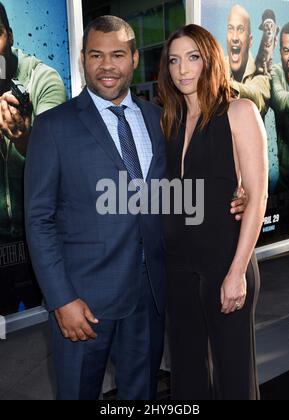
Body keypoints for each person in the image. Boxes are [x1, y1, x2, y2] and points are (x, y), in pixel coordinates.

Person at [25, 16, 247, 400]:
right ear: (83, 59)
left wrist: (239, 192)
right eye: (96, 55)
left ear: (132, 59)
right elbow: (38, 219)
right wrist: (61, 298)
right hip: (84, 302)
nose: (107, 65)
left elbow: (180, 185)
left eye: (117, 55)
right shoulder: (53, 127)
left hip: (150, 300)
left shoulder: (159, 118)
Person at [158, 24, 268, 400]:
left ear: (210, 60)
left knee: (234, 378)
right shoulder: (168, 120)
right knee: (187, 378)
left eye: (193, 58)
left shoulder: (239, 110)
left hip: (226, 262)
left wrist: (237, 271)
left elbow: (256, 196)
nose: (182, 69)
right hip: (179, 268)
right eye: (174, 60)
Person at [0, 2, 66, 314]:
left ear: (10, 35)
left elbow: (57, 167)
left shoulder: (43, 80)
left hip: (39, 238)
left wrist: (24, 138)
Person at [226, 5, 270, 119]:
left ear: (250, 41)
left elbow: (257, 96)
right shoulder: (215, 68)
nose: (234, 37)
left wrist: (227, 87)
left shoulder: (261, 71)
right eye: (231, 29)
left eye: (240, 29)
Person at [270, 22, 289, 192]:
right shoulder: (276, 72)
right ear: (280, 52)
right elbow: (278, 97)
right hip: (284, 185)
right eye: (286, 50)